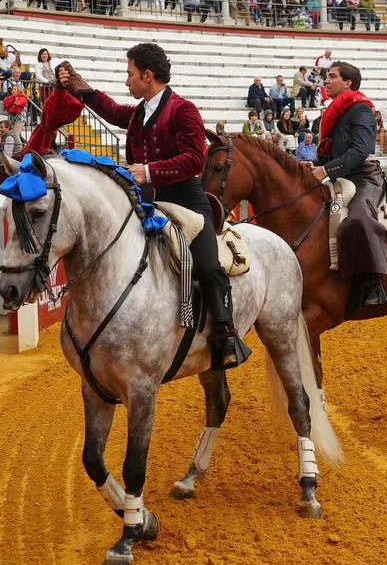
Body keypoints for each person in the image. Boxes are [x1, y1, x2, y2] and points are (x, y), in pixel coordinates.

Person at [55, 43, 249, 370]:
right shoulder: (141, 111)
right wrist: (78, 86)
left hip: (185, 200)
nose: (126, 81)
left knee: (206, 263)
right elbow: (113, 110)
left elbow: (193, 159)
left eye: (130, 74)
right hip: (146, 200)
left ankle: (225, 333)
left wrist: (149, 170)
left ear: (148, 75)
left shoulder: (182, 109)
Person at [315, 61, 387, 307]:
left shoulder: (360, 109)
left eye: (331, 76)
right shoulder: (332, 113)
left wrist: (326, 170)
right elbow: (328, 153)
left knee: (359, 217)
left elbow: (362, 150)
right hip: (340, 176)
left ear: (348, 83)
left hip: (365, 176)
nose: (326, 81)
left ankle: (373, 282)